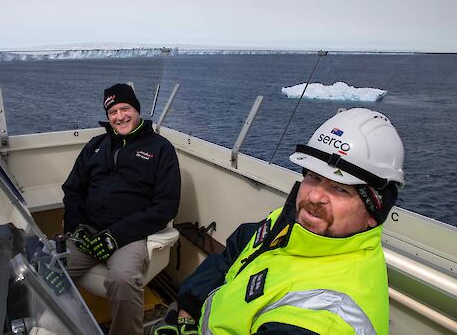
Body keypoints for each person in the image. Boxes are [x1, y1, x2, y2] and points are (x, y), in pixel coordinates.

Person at [157, 108, 404, 335]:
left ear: (374, 214)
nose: (316, 196)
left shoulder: (327, 318)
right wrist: (188, 308)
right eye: (314, 177)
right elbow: (234, 253)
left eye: (340, 189)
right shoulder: (291, 223)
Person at [62, 83, 181, 335]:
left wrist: (116, 236)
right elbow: (72, 190)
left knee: (123, 279)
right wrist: (77, 227)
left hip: (128, 237)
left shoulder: (160, 149)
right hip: (87, 233)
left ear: (137, 109)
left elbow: (165, 206)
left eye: (125, 108)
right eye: (112, 112)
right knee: (46, 265)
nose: (119, 116)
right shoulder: (96, 145)